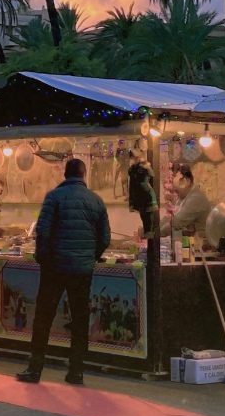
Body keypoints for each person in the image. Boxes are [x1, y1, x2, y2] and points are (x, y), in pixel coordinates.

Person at [17, 158, 110, 386]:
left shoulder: (54, 197)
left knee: (44, 318)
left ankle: (35, 368)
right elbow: (105, 238)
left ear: (65, 174)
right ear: (84, 174)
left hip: (55, 268)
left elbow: (43, 230)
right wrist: (91, 256)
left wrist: (43, 258)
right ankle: (76, 371)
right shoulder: (96, 201)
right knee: (79, 319)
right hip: (82, 271)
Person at [169, 163, 211, 237]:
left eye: (177, 191)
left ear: (187, 181)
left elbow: (176, 223)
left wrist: (147, 231)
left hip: (202, 244)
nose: (176, 193)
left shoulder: (196, 198)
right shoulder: (186, 196)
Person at [127, 162, 158, 237]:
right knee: (145, 219)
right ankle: (148, 236)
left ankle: (149, 236)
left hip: (146, 197)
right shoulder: (134, 169)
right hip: (140, 197)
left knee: (149, 222)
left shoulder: (144, 168)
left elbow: (152, 174)